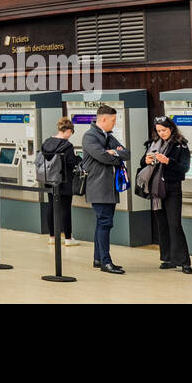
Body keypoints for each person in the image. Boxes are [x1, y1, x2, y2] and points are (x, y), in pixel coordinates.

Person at [141, 115, 192, 273]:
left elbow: (184, 167)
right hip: (156, 190)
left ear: (171, 129)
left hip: (172, 188)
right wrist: (146, 161)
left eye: (164, 130)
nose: (161, 133)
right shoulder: (152, 144)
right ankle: (168, 258)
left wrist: (168, 161)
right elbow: (142, 162)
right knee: (162, 224)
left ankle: (184, 262)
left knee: (174, 224)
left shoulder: (180, 145)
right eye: (158, 131)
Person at [81, 104, 129, 274]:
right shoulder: (89, 136)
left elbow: (127, 153)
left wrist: (113, 153)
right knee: (105, 222)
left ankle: (98, 258)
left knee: (103, 223)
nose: (114, 123)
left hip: (109, 187)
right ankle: (106, 262)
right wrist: (115, 155)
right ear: (103, 119)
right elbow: (101, 156)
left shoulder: (108, 136)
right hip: (98, 187)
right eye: (113, 120)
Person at [40, 117, 78, 246]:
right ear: (67, 130)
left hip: (50, 179)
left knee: (51, 206)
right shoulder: (67, 145)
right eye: (71, 132)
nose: (70, 135)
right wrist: (79, 159)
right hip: (64, 180)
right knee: (65, 209)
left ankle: (52, 236)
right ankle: (68, 238)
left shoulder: (46, 142)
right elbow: (71, 162)